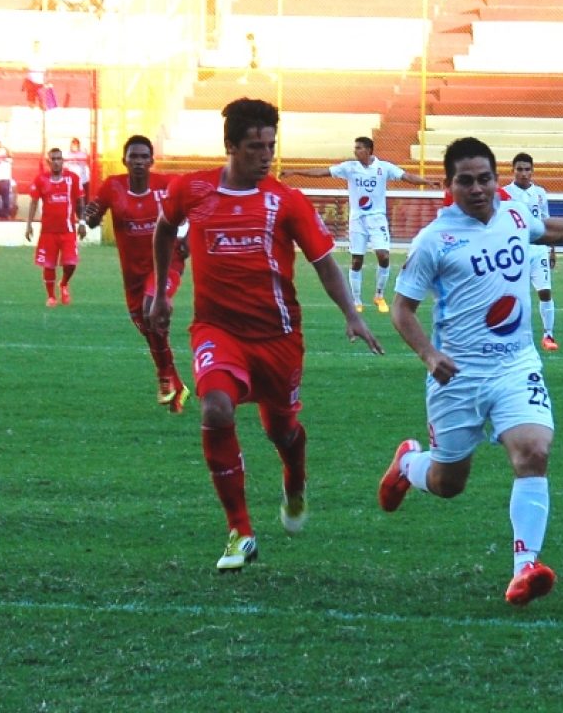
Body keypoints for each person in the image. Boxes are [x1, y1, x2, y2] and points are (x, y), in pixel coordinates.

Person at [377, 137, 563, 607]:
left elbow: (550, 230)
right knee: (448, 484)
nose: (477, 189)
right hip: (458, 376)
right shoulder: (434, 240)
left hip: (516, 365)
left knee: (534, 451)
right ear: (448, 185)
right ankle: (409, 465)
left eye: (484, 179)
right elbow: (402, 309)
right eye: (466, 181)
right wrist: (429, 356)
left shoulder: (515, 215)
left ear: (495, 179)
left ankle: (525, 568)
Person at [147, 98, 383, 572]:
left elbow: (324, 263)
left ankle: (294, 480)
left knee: (282, 430)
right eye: (256, 147)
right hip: (217, 330)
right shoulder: (191, 189)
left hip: (278, 338)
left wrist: (352, 314)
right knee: (215, 407)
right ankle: (240, 530)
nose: (266, 156)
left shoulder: (286, 201)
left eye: (271, 146)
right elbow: (165, 229)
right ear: (231, 146)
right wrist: (160, 292)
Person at [83, 134, 190, 413]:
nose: (139, 161)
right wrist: (90, 217)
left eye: (144, 157)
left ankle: (164, 378)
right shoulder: (113, 186)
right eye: (134, 157)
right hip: (132, 273)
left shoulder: (167, 186)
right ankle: (176, 384)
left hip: (166, 264)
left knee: (151, 308)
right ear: (125, 161)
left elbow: (193, 208)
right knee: (148, 328)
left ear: (152, 161)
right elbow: (93, 218)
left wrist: (188, 237)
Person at [281, 137, 438, 314]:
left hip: (377, 219)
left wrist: (426, 182)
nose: (355, 151)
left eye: (359, 148)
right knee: (356, 260)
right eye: (355, 148)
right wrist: (295, 171)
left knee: (384, 256)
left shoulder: (383, 167)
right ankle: (356, 300)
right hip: (357, 220)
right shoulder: (349, 167)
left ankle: (379, 296)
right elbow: (322, 172)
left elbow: (406, 176)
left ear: (369, 150)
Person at [502, 153, 558, 351]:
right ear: (513, 170)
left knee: (545, 291)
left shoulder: (540, 193)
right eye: (520, 169)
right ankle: (513, 334)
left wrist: (552, 249)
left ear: (532, 170)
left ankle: (548, 334)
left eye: (527, 169)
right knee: (514, 294)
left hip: (538, 249)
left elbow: (546, 221)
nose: (524, 173)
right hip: (515, 250)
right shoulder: (505, 193)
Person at [25, 147, 86, 307]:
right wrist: (29, 224)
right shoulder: (41, 180)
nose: (57, 162)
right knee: (48, 265)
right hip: (48, 231)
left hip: (68, 230)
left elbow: (80, 201)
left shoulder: (72, 178)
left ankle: (64, 283)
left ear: (63, 160)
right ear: (48, 161)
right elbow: (33, 202)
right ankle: (51, 296)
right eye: (54, 159)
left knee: (71, 263)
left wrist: (82, 222)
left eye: (59, 159)